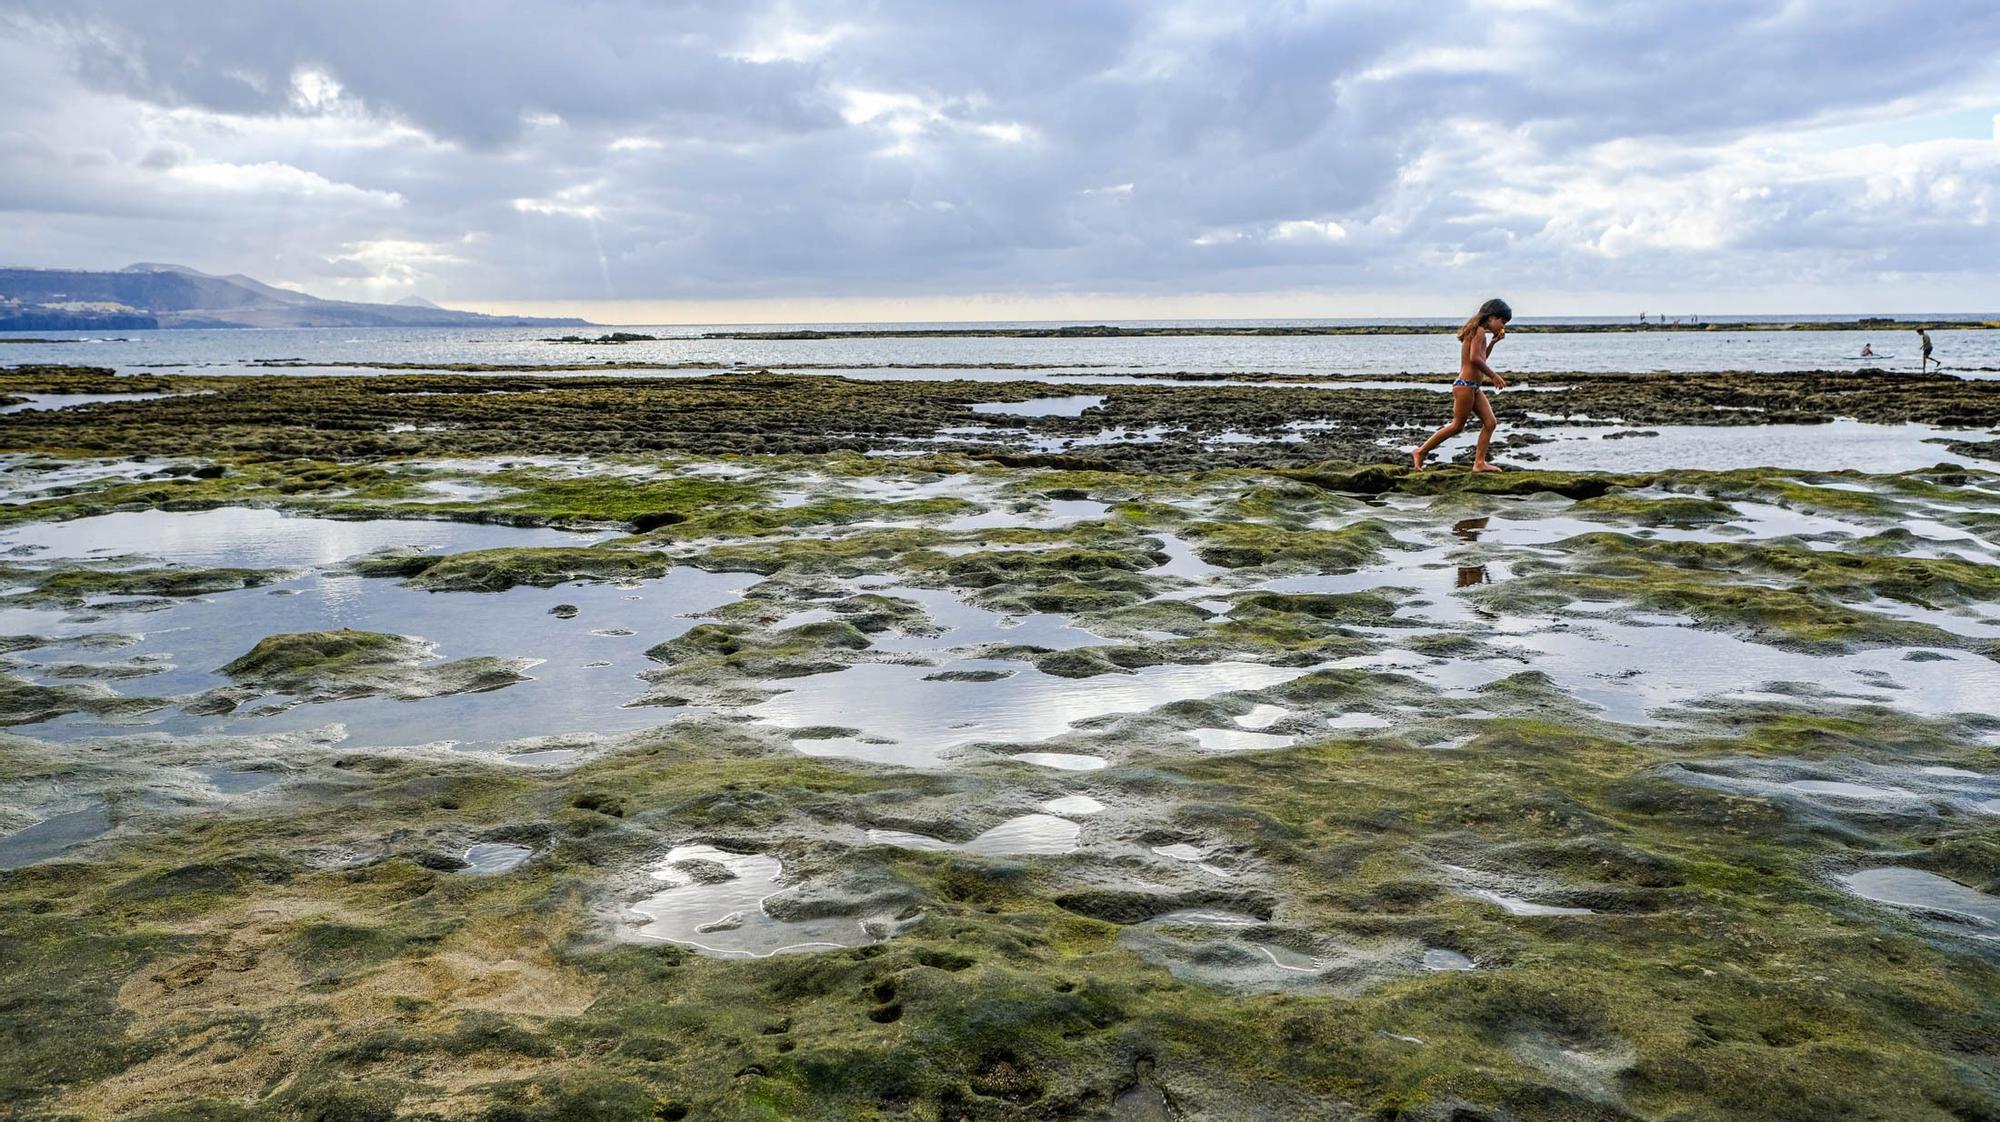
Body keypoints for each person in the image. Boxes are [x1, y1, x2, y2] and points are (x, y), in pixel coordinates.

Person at [1413, 298, 1512, 472]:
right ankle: (1421, 451)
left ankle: (1479, 463)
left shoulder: (1479, 332)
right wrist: (1493, 375)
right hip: (1465, 385)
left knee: (1490, 422)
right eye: (1502, 321)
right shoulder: (1478, 331)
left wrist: (1493, 342)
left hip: (1473, 387)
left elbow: (1481, 357)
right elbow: (1474, 359)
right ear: (1491, 317)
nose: (1502, 326)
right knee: (1457, 425)